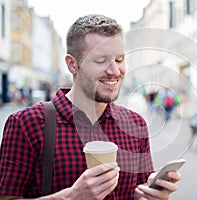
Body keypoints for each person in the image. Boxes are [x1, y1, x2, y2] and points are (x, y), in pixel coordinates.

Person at [0, 14, 181, 200]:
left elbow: (137, 192)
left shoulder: (135, 124)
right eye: (101, 60)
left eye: (119, 59)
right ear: (72, 64)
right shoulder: (26, 124)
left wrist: (151, 195)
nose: (114, 71)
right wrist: (72, 197)